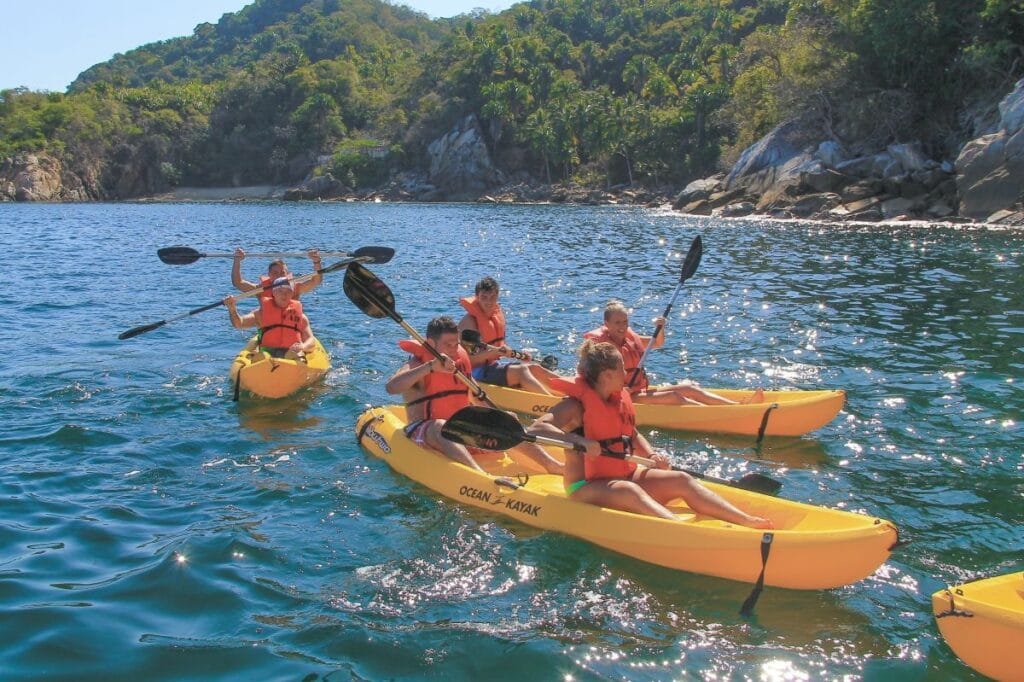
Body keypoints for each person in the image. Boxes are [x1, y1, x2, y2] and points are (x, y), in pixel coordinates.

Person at [527, 340, 772, 526]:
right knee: (628, 491)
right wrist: (578, 440)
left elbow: (631, 434)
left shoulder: (615, 400)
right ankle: (679, 530)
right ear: (607, 375)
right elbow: (538, 428)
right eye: (622, 369)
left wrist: (653, 455)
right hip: (584, 487)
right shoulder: (575, 406)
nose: (627, 374)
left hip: (626, 476)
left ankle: (745, 520)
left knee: (681, 480)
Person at [386, 316, 563, 475]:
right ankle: (480, 476)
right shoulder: (418, 364)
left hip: (459, 427)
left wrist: (501, 418)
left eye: (456, 344)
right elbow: (391, 387)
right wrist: (430, 367)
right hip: (425, 431)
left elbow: (476, 397)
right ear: (431, 344)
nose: (454, 350)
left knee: (509, 420)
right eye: (448, 345)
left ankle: (551, 465)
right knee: (440, 426)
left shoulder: (458, 361)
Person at [585, 300, 763, 405]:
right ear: (606, 324)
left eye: (625, 322)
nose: (622, 327)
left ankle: (735, 406)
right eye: (617, 323)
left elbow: (658, 342)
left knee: (689, 388)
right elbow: (591, 377)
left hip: (637, 390)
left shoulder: (630, 337)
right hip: (622, 397)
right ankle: (725, 414)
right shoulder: (599, 346)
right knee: (674, 396)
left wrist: (660, 328)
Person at [458, 276, 558, 395]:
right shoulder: (469, 323)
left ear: (498, 296)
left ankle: (572, 389)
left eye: (492, 297)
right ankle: (553, 404)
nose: (488, 302)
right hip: (475, 372)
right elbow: (467, 360)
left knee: (534, 368)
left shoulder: (494, 317)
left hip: (492, 366)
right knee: (522, 370)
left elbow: (496, 345)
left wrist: (518, 355)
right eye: (484, 297)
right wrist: (494, 353)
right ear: (477, 297)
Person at [224, 277, 317, 359]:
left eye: (288, 291)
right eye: (280, 290)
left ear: (292, 293)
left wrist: (303, 346)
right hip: (268, 354)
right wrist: (232, 309)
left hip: (292, 353)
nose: (284, 294)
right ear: (273, 292)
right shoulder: (261, 314)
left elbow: (311, 340)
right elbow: (238, 323)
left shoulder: (301, 317)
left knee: (295, 354)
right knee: (262, 356)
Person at [232, 248, 323, 299]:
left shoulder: (296, 288)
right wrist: (237, 261)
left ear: (287, 274)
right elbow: (238, 283)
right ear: (269, 275)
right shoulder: (261, 290)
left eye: (282, 273)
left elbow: (316, 281)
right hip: (270, 331)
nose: (279, 276)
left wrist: (316, 261)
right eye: (275, 273)